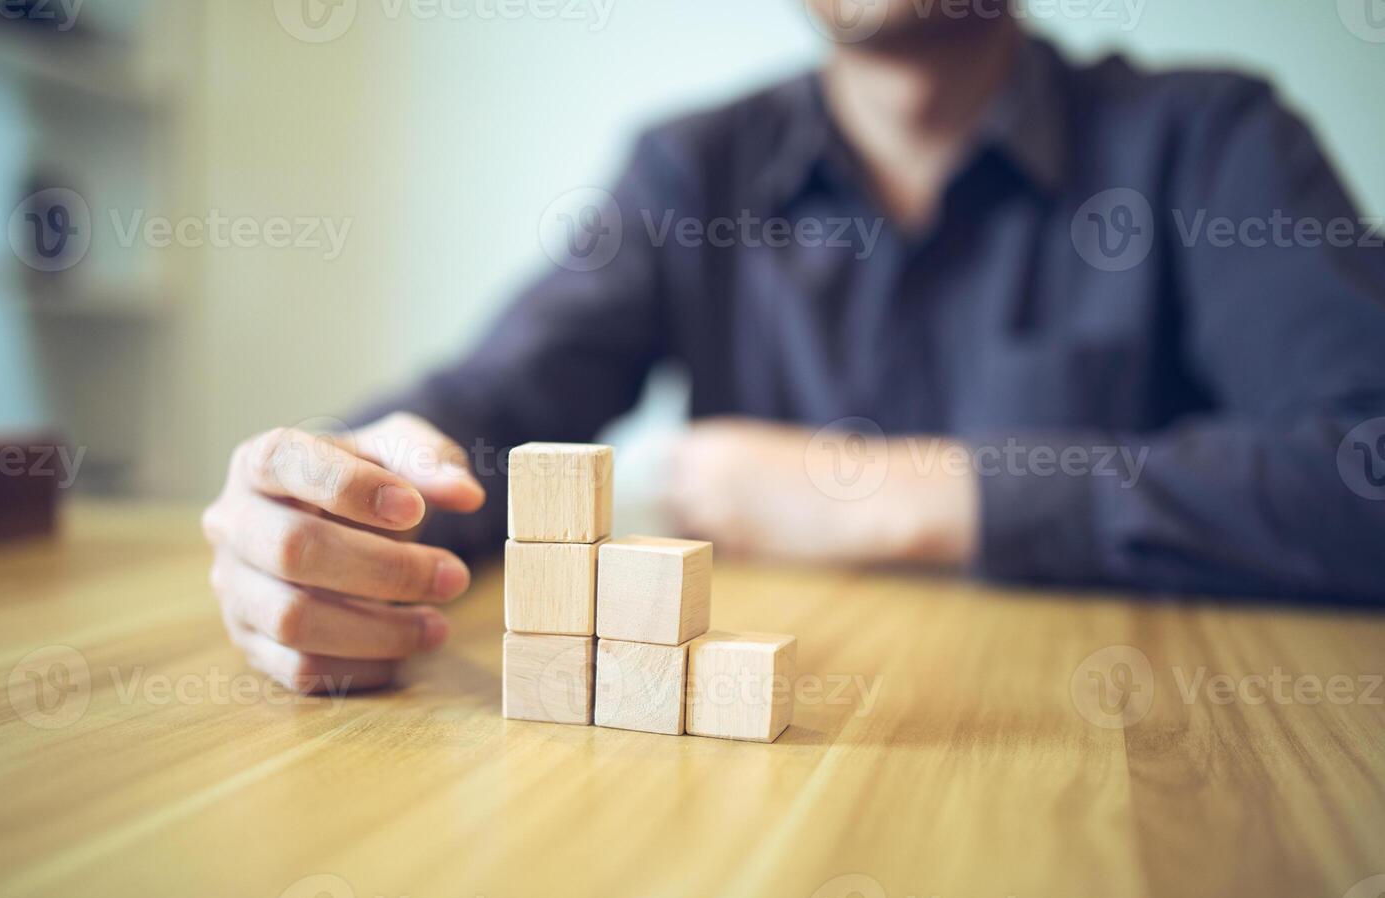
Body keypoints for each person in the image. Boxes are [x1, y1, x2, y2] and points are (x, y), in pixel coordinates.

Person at [203, 2, 1385, 692]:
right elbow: (490, 412)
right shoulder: (688, 169)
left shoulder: (1214, 139)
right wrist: (345, 504)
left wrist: (893, 495)